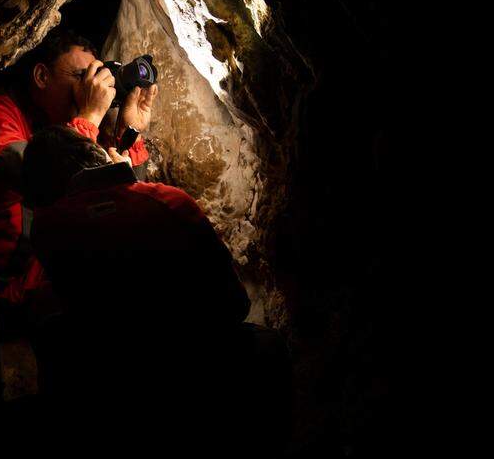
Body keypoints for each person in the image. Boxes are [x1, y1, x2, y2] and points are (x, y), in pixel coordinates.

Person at [0, 27, 158, 440]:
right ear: (41, 77)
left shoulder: (75, 129)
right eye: (78, 77)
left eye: (94, 78)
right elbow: (41, 176)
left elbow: (127, 203)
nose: (87, 89)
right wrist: (89, 119)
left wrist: (128, 130)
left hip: (40, 292)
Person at [20, 125, 293, 453]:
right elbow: (234, 303)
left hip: (117, 392)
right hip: (205, 377)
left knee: (54, 334)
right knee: (265, 343)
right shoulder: (172, 200)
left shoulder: (51, 227)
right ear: (100, 157)